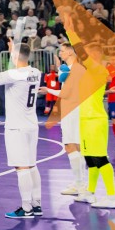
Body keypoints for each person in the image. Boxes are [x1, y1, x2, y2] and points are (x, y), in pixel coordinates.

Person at [60, 12, 115, 208]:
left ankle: (111, 197)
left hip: (94, 119)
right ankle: (90, 193)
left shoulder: (96, 68)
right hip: (85, 118)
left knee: (100, 158)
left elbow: (80, 47)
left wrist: (71, 29)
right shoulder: (91, 69)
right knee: (91, 160)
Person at [0, 41, 43, 219]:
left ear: (16, 56)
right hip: (31, 124)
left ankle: (26, 208)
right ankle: (36, 203)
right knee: (32, 165)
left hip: (17, 127)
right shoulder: (35, 72)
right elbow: (18, 65)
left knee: (22, 167)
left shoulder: (14, 74)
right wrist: (13, 50)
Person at [39, 43, 86, 196]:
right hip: (74, 109)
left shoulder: (75, 70)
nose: (60, 53)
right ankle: (81, 183)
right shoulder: (74, 69)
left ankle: (80, 184)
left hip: (72, 110)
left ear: (70, 53)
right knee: (76, 146)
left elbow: (66, 93)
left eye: (62, 51)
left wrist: (49, 90)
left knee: (71, 145)